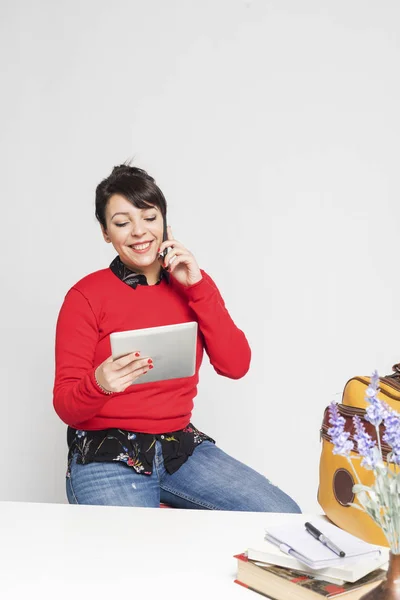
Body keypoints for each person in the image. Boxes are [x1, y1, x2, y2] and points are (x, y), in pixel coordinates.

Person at [53, 163, 301, 513]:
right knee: (132, 556)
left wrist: (198, 287)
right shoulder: (85, 296)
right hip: (107, 455)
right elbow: (66, 405)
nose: (139, 232)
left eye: (149, 217)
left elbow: (236, 366)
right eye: (122, 223)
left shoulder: (193, 283)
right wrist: (100, 383)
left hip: (178, 449)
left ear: (165, 221)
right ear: (106, 233)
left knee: (281, 516)